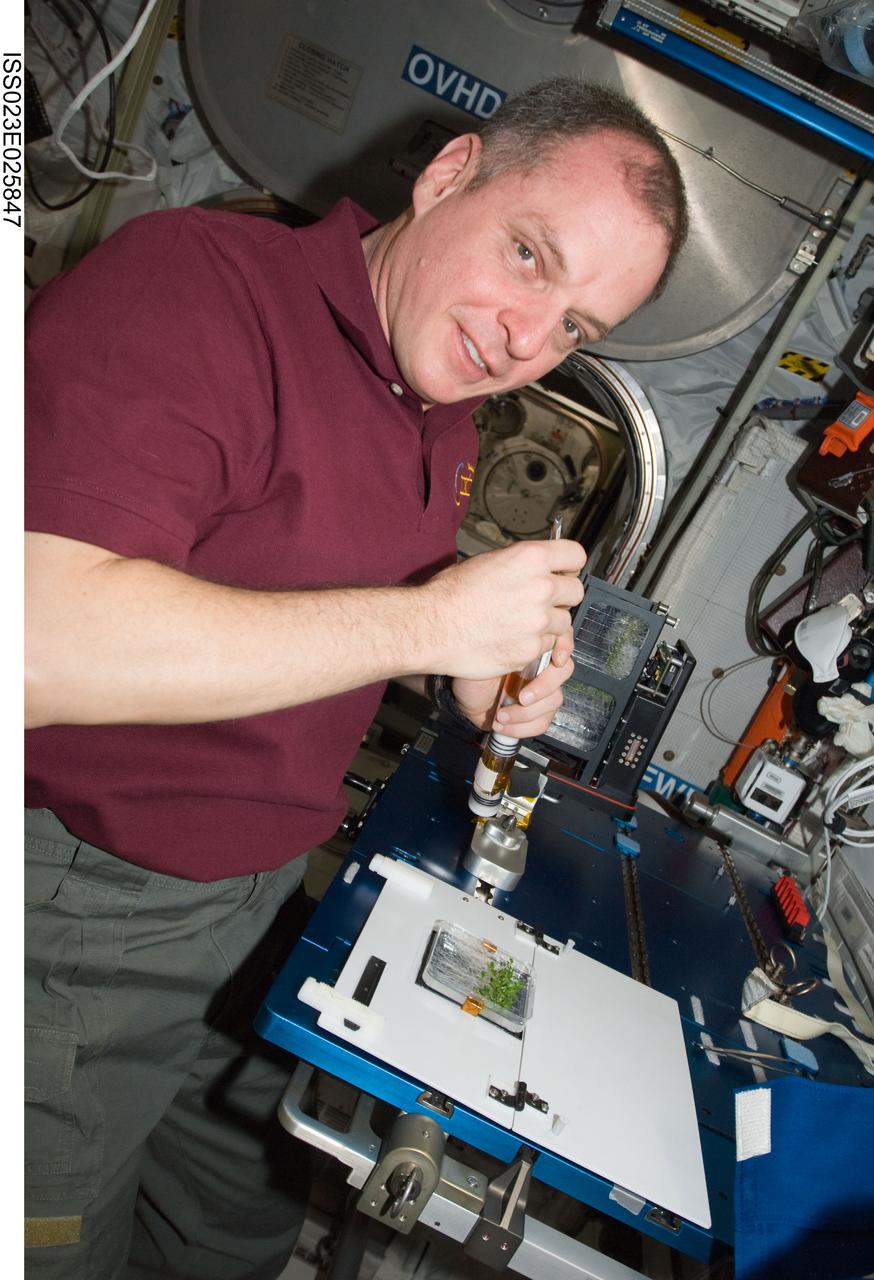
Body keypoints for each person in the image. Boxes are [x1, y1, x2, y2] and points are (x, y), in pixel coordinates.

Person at [24, 76, 687, 1280]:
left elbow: (306, 603)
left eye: (580, 327)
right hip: (72, 913)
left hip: (260, 907)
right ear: (448, 176)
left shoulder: (433, 396)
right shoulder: (195, 287)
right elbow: (39, 641)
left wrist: (470, 676)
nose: (529, 340)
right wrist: (422, 620)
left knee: (236, 1229)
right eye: (529, 255)